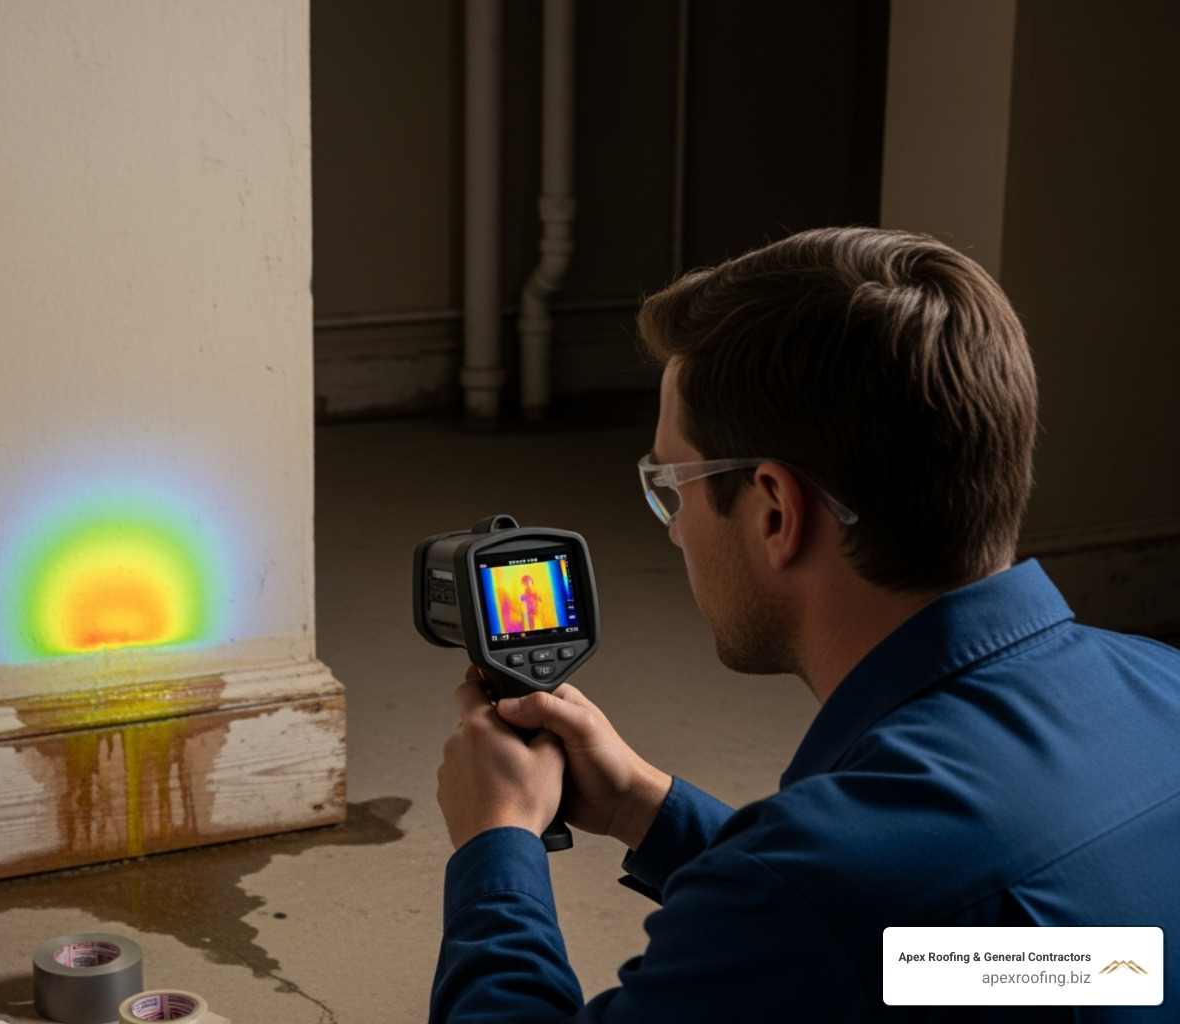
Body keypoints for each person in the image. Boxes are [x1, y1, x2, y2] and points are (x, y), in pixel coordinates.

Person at [430, 227, 1180, 1022]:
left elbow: (840, 911)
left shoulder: (811, 893)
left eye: (671, 485)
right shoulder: (1161, 687)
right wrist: (640, 808)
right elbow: (1055, 966)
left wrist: (499, 844)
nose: (674, 528)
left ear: (776, 511)